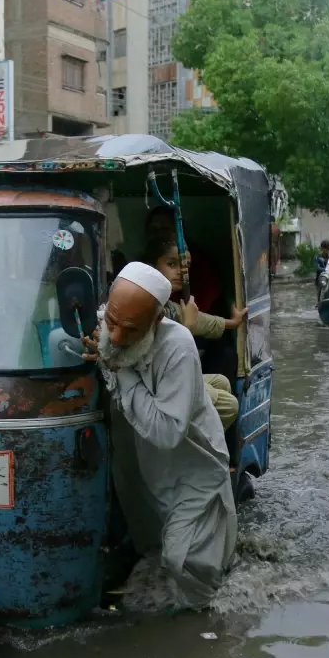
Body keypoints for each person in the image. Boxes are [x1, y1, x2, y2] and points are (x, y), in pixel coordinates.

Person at [82, 261, 237, 608]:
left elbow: (168, 431)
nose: (117, 336)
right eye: (112, 323)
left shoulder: (177, 346)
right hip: (141, 465)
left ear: (156, 322)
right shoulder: (107, 324)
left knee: (189, 560)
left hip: (190, 465)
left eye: (131, 329)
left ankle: (208, 633)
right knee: (153, 548)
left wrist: (118, 370)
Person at [149, 240, 247, 428]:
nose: (180, 271)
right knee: (229, 405)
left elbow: (202, 321)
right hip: (158, 383)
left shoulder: (166, 304)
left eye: (185, 266)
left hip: (166, 376)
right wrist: (186, 328)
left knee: (222, 382)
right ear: (153, 265)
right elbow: (166, 360)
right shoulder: (148, 304)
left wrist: (232, 323)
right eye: (171, 264)